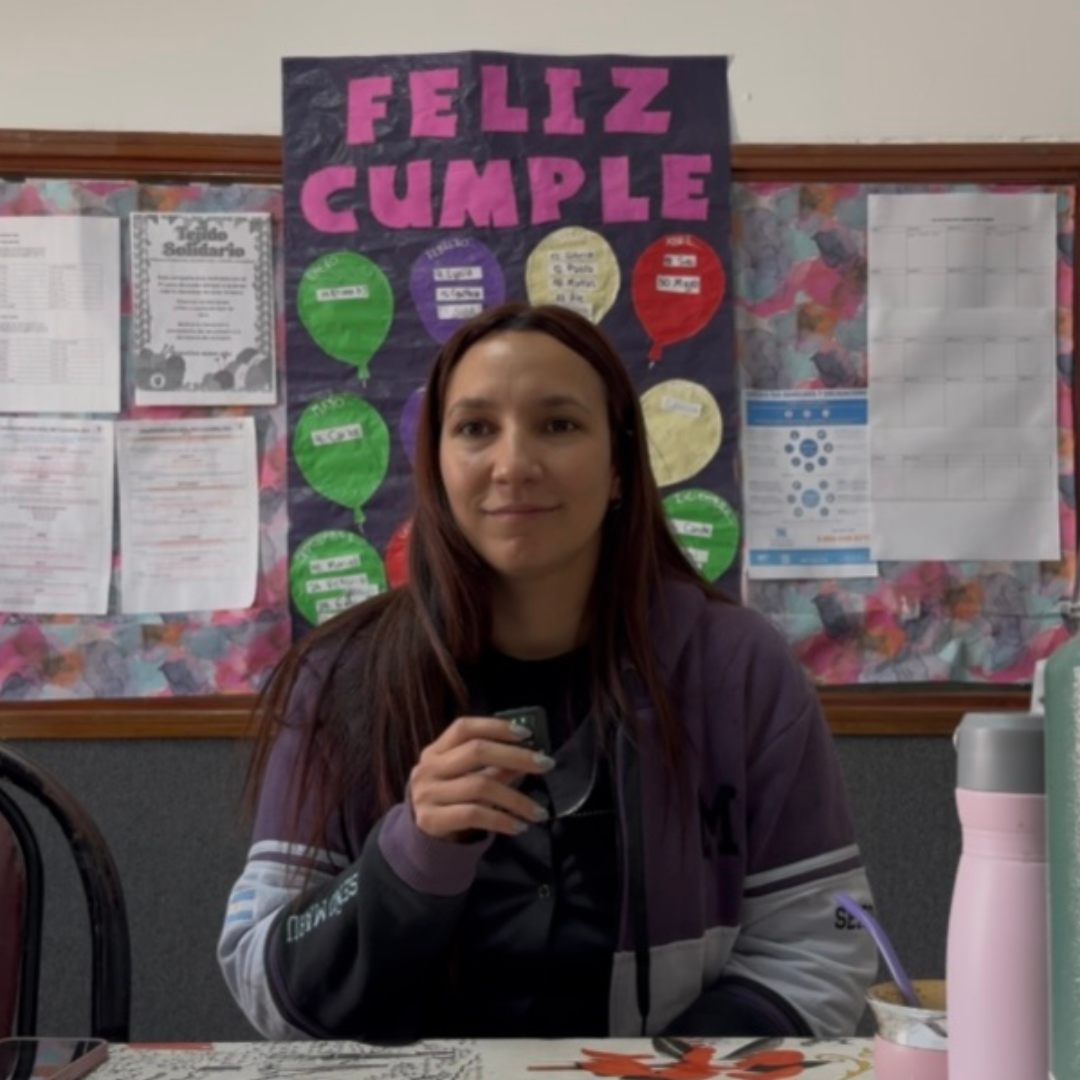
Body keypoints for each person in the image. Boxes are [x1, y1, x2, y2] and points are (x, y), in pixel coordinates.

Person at [218, 301, 877, 1042]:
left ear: (620, 467)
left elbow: (822, 943)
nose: (513, 465)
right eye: (475, 428)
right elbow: (266, 984)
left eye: (559, 425)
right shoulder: (340, 676)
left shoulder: (738, 667)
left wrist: (669, 1072)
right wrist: (410, 854)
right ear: (437, 465)